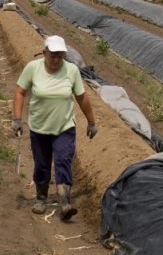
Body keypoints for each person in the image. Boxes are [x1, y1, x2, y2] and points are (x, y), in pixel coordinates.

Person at [12, 35, 98, 221]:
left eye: (60, 55)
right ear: (44, 53)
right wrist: (17, 119)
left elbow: (82, 97)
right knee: (42, 164)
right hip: (39, 128)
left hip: (64, 127)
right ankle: (41, 198)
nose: (56, 59)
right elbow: (20, 92)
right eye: (52, 55)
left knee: (63, 160)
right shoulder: (33, 68)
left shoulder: (72, 71)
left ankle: (65, 202)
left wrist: (91, 122)